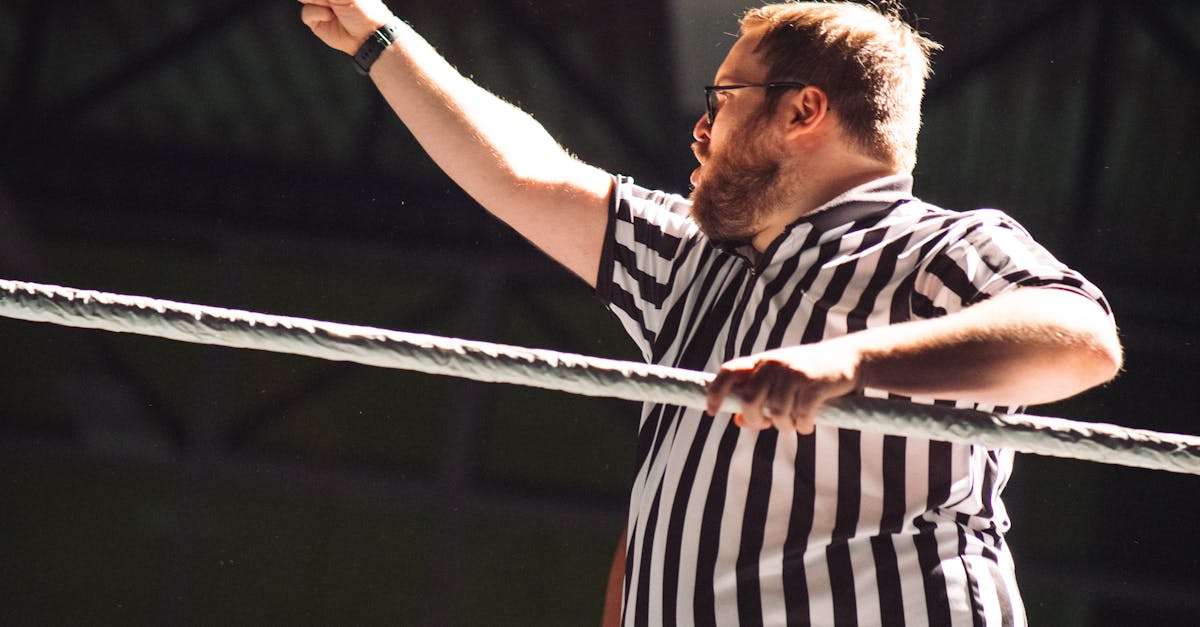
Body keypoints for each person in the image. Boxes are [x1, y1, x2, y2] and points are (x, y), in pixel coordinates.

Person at [298, 1, 1122, 625]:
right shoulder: (691, 260)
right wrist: (379, 37)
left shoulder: (934, 245)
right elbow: (529, 174)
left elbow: (1082, 339)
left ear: (803, 110)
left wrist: (853, 363)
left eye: (721, 98)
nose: (699, 129)